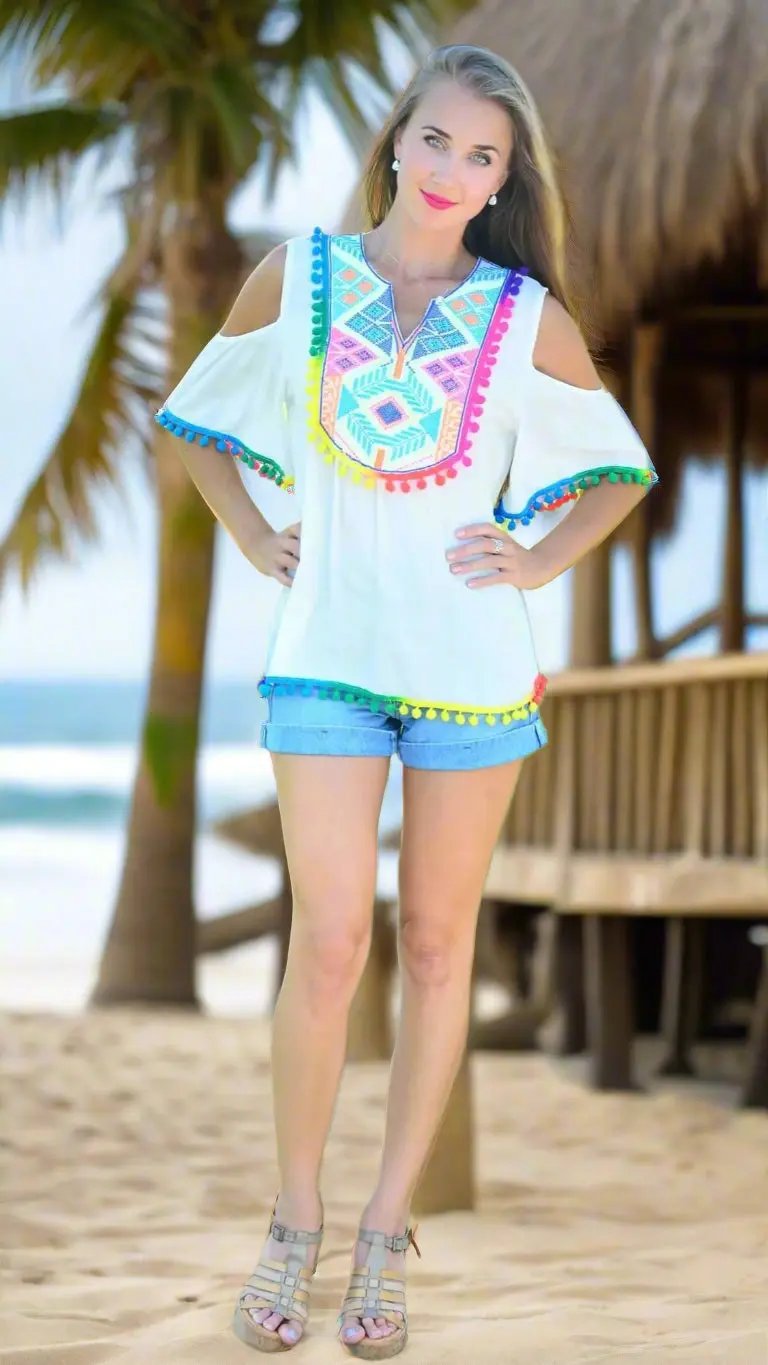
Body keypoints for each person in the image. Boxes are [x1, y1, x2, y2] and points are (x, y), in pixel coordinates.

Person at [155, 41, 658, 1360]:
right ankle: (296, 1214)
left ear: (501, 181)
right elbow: (199, 419)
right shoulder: (299, 277)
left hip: (474, 674)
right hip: (322, 655)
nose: (452, 171)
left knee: (441, 945)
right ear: (396, 142)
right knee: (330, 943)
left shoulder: (523, 314)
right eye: (436, 141)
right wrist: (257, 539)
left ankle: (386, 1228)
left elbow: (616, 466)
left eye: (481, 156)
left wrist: (537, 556)